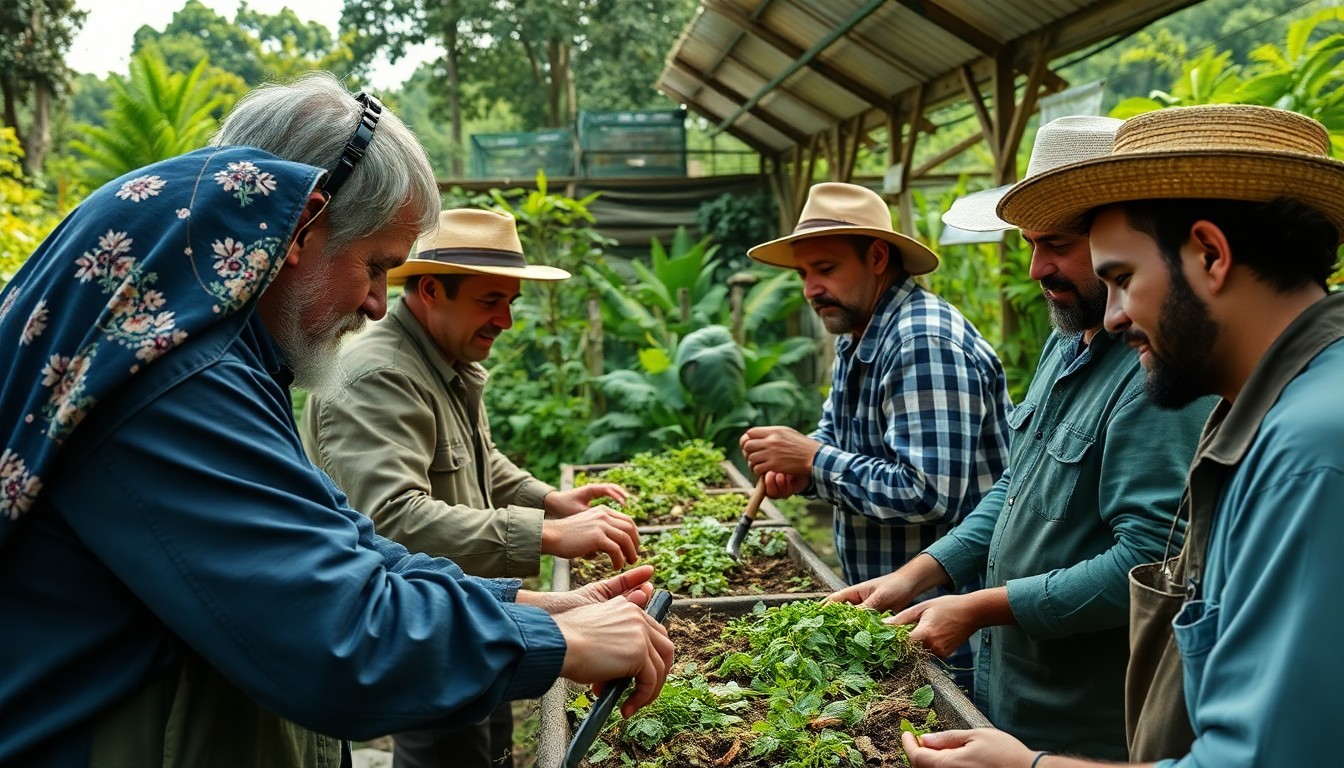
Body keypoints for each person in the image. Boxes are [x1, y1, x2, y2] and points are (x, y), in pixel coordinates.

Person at [0, 72, 672, 768]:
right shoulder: (176, 381)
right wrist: (557, 642)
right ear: (299, 225)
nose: (380, 303)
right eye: (376, 266)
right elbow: (337, 637)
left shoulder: (215, 351)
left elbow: (347, 544)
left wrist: (533, 609)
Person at [900, 104, 1344, 768]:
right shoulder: (1264, 416)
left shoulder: (1308, 454)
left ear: (1211, 254)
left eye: (1123, 279)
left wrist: (1028, 766)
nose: (1110, 318)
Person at [829, 116, 1212, 760]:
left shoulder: (1158, 371)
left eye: (1057, 244)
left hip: (1086, 726)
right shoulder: (1068, 337)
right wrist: (921, 573)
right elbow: (1019, 484)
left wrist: (981, 607)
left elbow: (1149, 558)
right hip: (1014, 695)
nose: (1037, 268)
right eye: (1030, 244)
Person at [299, 207, 641, 768]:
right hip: (424, 626)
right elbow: (392, 520)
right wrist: (549, 534)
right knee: (446, 751)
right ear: (432, 290)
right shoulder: (381, 375)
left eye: (511, 302)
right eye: (490, 301)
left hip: (475, 606)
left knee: (490, 743)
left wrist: (550, 500)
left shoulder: (443, 356)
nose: (506, 320)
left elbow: (479, 460)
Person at [739, 181, 1013, 678]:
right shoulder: (858, 333)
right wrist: (803, 472)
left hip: (950, 633)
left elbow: (928, 492)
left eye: (825, 269)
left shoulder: (922, 343)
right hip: (893, 618)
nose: (810, 289)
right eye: (803, 273)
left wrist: (812, 459)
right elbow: (834, 440)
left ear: (878, 258)